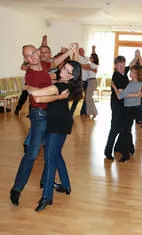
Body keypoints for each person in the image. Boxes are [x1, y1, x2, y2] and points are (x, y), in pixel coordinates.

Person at [9, 43, 75, 206]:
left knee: (53, 152)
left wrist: (69, 52)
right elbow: (37, 98)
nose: (32, 57)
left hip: (52, 114)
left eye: (33, 53)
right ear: (25, 59)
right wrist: (58, 98)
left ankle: (53, 182)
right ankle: (17, 189)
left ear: (38, 53)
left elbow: (53, 63)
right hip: (39, 116)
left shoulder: (45, 65)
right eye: (28, 56)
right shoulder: (30, 74)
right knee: (32, 154)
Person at [27, 60, 82, 212]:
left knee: (50, 159)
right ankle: (65, 185)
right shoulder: (65, 85)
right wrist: (50, 97)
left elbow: (35, 95)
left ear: (72, 76)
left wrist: (28, 86)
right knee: (56, 155)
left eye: (68, 71)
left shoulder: (60, 86)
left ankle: (47, 197)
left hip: (57, 124)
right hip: (59, 122)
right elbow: (38, 98)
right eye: (64, 68)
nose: (63, 71)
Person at [103, 54, 141, 161]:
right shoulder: (116, 76)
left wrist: (136, 56)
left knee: (124, 128)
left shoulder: (124, 72)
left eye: (123, 65)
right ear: (115, 65)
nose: (122, 67)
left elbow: (130, 65)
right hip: (117, 105)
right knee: (115, 128)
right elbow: (120, 94)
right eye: (119, 65)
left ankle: (121, 147)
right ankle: (108, 151)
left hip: (125, 106)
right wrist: (136, 95)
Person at [111, 64, 142, 162]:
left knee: (125, 131)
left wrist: (114, 87)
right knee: (127, 129)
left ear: (137, 74)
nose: (131, 73)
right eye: (131, 71)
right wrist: (126, 92)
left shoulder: (132, 84)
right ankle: (131, 148)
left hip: (129, 109)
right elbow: (128, 93)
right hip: (134, 108)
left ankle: (126, 154)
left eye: (133, 72)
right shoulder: (137, 82)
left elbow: (119, 96)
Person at [81, 45, 98, 119]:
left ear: (93, 59)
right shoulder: (93, 64)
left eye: (91, 58)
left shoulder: (91, 64)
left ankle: (94, 112)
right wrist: (93, 49)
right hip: (90, 81)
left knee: (88, 97)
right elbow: (93, 55)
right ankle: (90, 112)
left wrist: (77, 62)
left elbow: (83, 66)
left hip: (92, 81)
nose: (89, 58)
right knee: (88, 97)